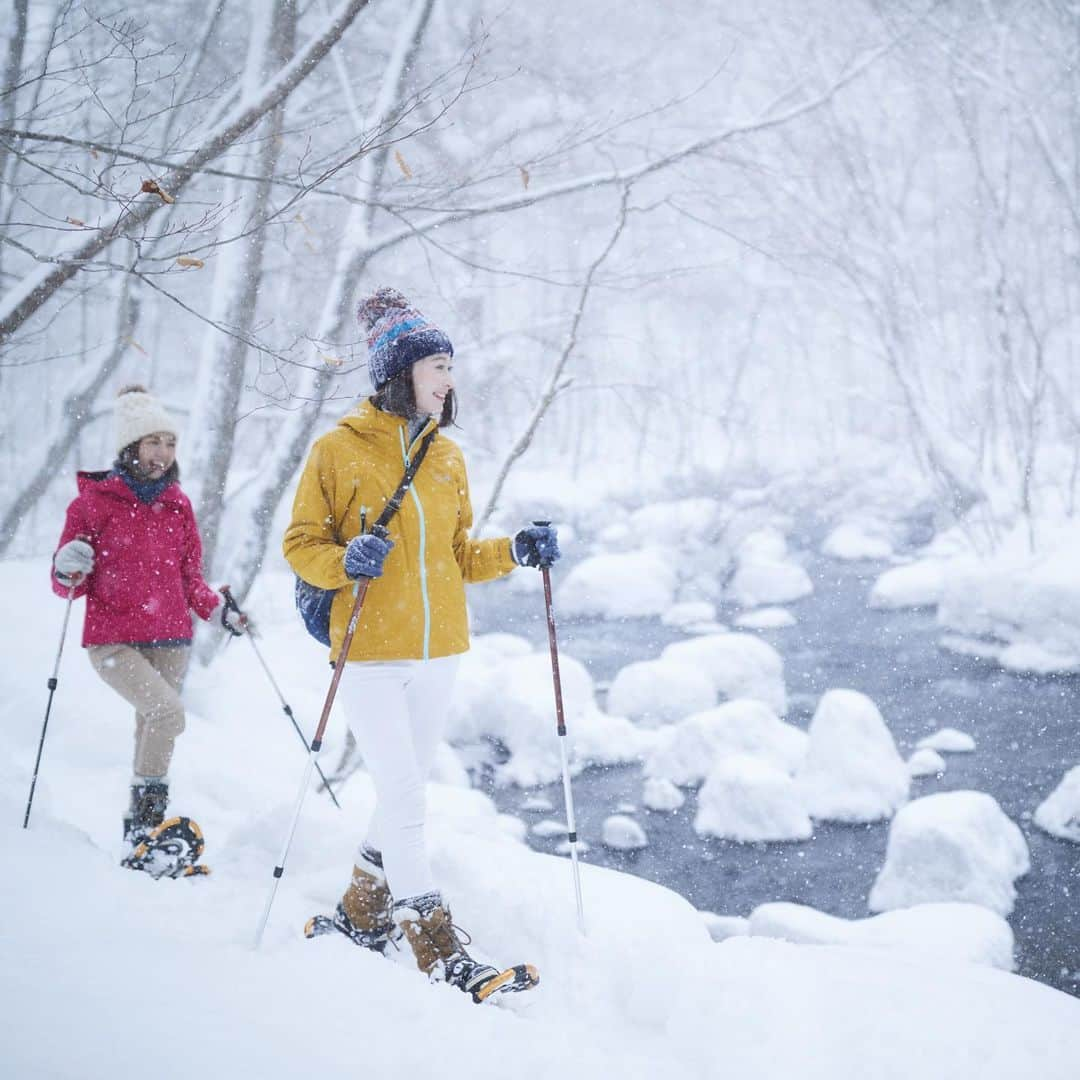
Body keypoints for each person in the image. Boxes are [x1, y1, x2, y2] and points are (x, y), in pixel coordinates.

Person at [283, 288, 559, 1003]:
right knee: (404, 795)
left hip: (442, 652)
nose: (449, 379)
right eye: (438, 364)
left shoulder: (447, 458)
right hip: (371, 651)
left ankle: (360, 913)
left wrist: (518, 552)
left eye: (450, 366)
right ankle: (435, 947)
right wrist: (346, 562)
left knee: (399, 795)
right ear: (401, 371)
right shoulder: (336, 450)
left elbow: (459, 557)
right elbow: (301, 543)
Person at [51, 385, 247, 872]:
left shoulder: (177, 505)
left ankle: (137, 843)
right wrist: (65, 567)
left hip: (171, 638)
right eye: (153, 442)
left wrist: (219, 611)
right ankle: (145, 830)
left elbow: (190, 579)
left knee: (152, 729)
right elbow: (67, 586)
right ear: (131, 447)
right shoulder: (94, 504)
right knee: (168, 715)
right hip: (112, 640)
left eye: (170, 443)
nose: (163, 453)